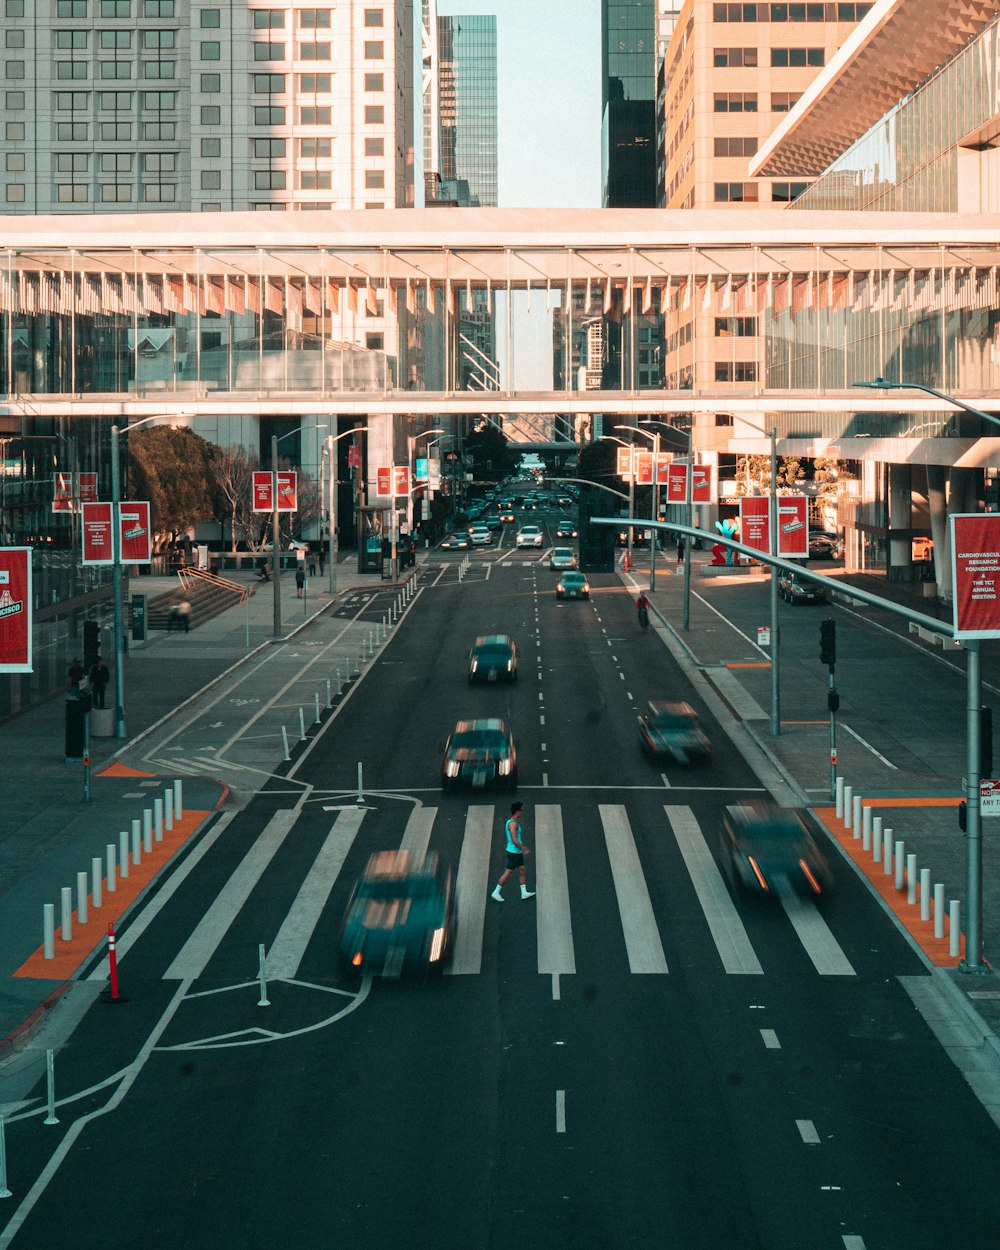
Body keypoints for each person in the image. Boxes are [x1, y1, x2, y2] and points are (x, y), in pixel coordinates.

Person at [491, 801, 535, 902]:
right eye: (521, 810)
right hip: (513, 852)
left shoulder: (512, 822)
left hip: (517, 852)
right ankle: (496, 892)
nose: (522, 812)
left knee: (522, 870)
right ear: (517, 812)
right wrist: (524, 848)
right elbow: (515, 839)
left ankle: (524, 892)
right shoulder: (513, 824)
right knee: (508, 873)